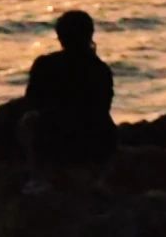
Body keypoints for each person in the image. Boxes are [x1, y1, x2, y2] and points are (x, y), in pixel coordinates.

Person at [20, 11, 116, 183]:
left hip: (54, 135)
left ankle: (37, 177)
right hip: (97, 137)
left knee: (29, 120)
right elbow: (104, 106)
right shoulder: (100, 69)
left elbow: (32, 101)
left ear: (60, 36)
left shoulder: (45, 65)